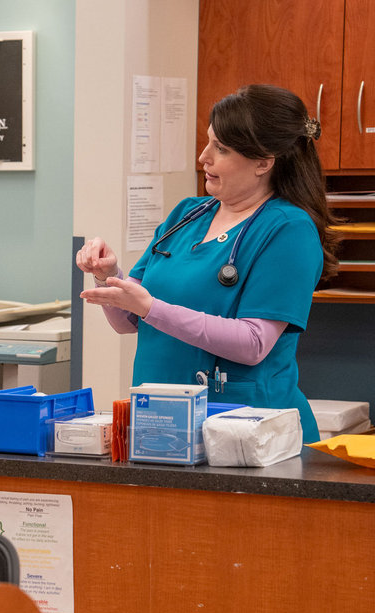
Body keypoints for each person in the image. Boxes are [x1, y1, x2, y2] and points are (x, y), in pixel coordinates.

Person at [76, 84, 340, 443]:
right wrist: (109, 276)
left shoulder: (288, 229)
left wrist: (152, 307)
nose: (203, 157)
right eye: (208, 142)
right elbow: (129, 321)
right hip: (162, 422)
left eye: (221, 149)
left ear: (264, 162)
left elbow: (253, 343)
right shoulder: (187, 215)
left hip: (247, 435)